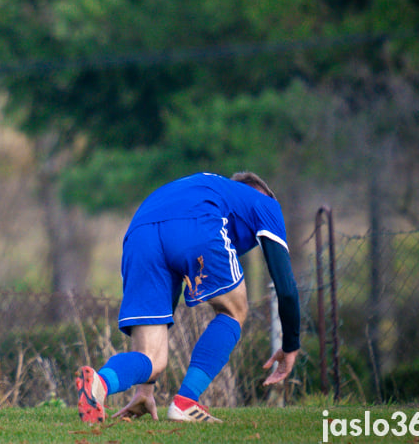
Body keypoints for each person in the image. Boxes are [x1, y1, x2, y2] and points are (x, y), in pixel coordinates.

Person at [75, 171, 300, 423]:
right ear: (261, 192)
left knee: (153, 358)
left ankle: (99, 383)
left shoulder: (202, 188)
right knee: (234, 310)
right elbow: (287, 288)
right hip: (199, 224)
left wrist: (145, 389)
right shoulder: (265, 203)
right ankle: (185, 402)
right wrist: (290, 345)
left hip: (139, 231)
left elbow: (164, 305)